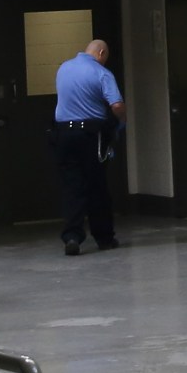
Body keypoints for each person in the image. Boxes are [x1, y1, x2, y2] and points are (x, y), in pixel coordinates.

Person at [51, 39, 126, 257]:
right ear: (101, 52)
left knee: (72, 187)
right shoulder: (102, 73)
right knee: (96, 186)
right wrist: (121, 123)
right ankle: (104, 237)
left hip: (63, 134)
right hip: (90, 135)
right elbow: (117, 105)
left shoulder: (63, 68)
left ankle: (72, 237)